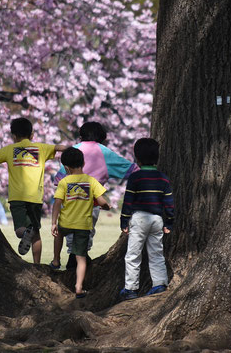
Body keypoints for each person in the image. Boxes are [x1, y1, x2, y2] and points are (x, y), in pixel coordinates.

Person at [54, 121, 138, 268]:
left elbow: (60, 179)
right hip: (91, 204)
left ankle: (69, 262)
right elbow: (131, 170)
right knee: (85, 236)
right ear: (102, 136)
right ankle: (77, 264)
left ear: (81, 135)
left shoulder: (74, 150)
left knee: (71, 237)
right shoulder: (104, 152)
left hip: (69, 203)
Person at [0, 117, 65, 264]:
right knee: (36, 234)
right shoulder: (41, 148)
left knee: (20, 229)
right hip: (35, 198)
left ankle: (26, 232)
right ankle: (37, 264)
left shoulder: (9, 149)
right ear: (32, 135)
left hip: (17, 197)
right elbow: (60, 148)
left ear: (14, 136)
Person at [119, 138, 175, 300]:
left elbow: (128, 201)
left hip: (139, 218)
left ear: (137, 158)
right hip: (157, 219)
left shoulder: (135, 178)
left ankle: (130, 288)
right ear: (157, 158)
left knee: (133, 254)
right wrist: (169, 222)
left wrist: (124, 221)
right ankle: (159, 283)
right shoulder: (163, 178)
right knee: (156, 253)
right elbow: (169, 203)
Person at [51, 147, 110, 298]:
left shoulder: (64, 182)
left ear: (66, 167)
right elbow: (102, 201)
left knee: (59, 234)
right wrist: (106, 206)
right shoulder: (91, 181)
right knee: (81, 257)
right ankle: (78, 287)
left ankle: (56, 260)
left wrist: (53, 222)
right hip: (83, 226)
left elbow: (57, 203)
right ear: (83, 163)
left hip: (66, 222)